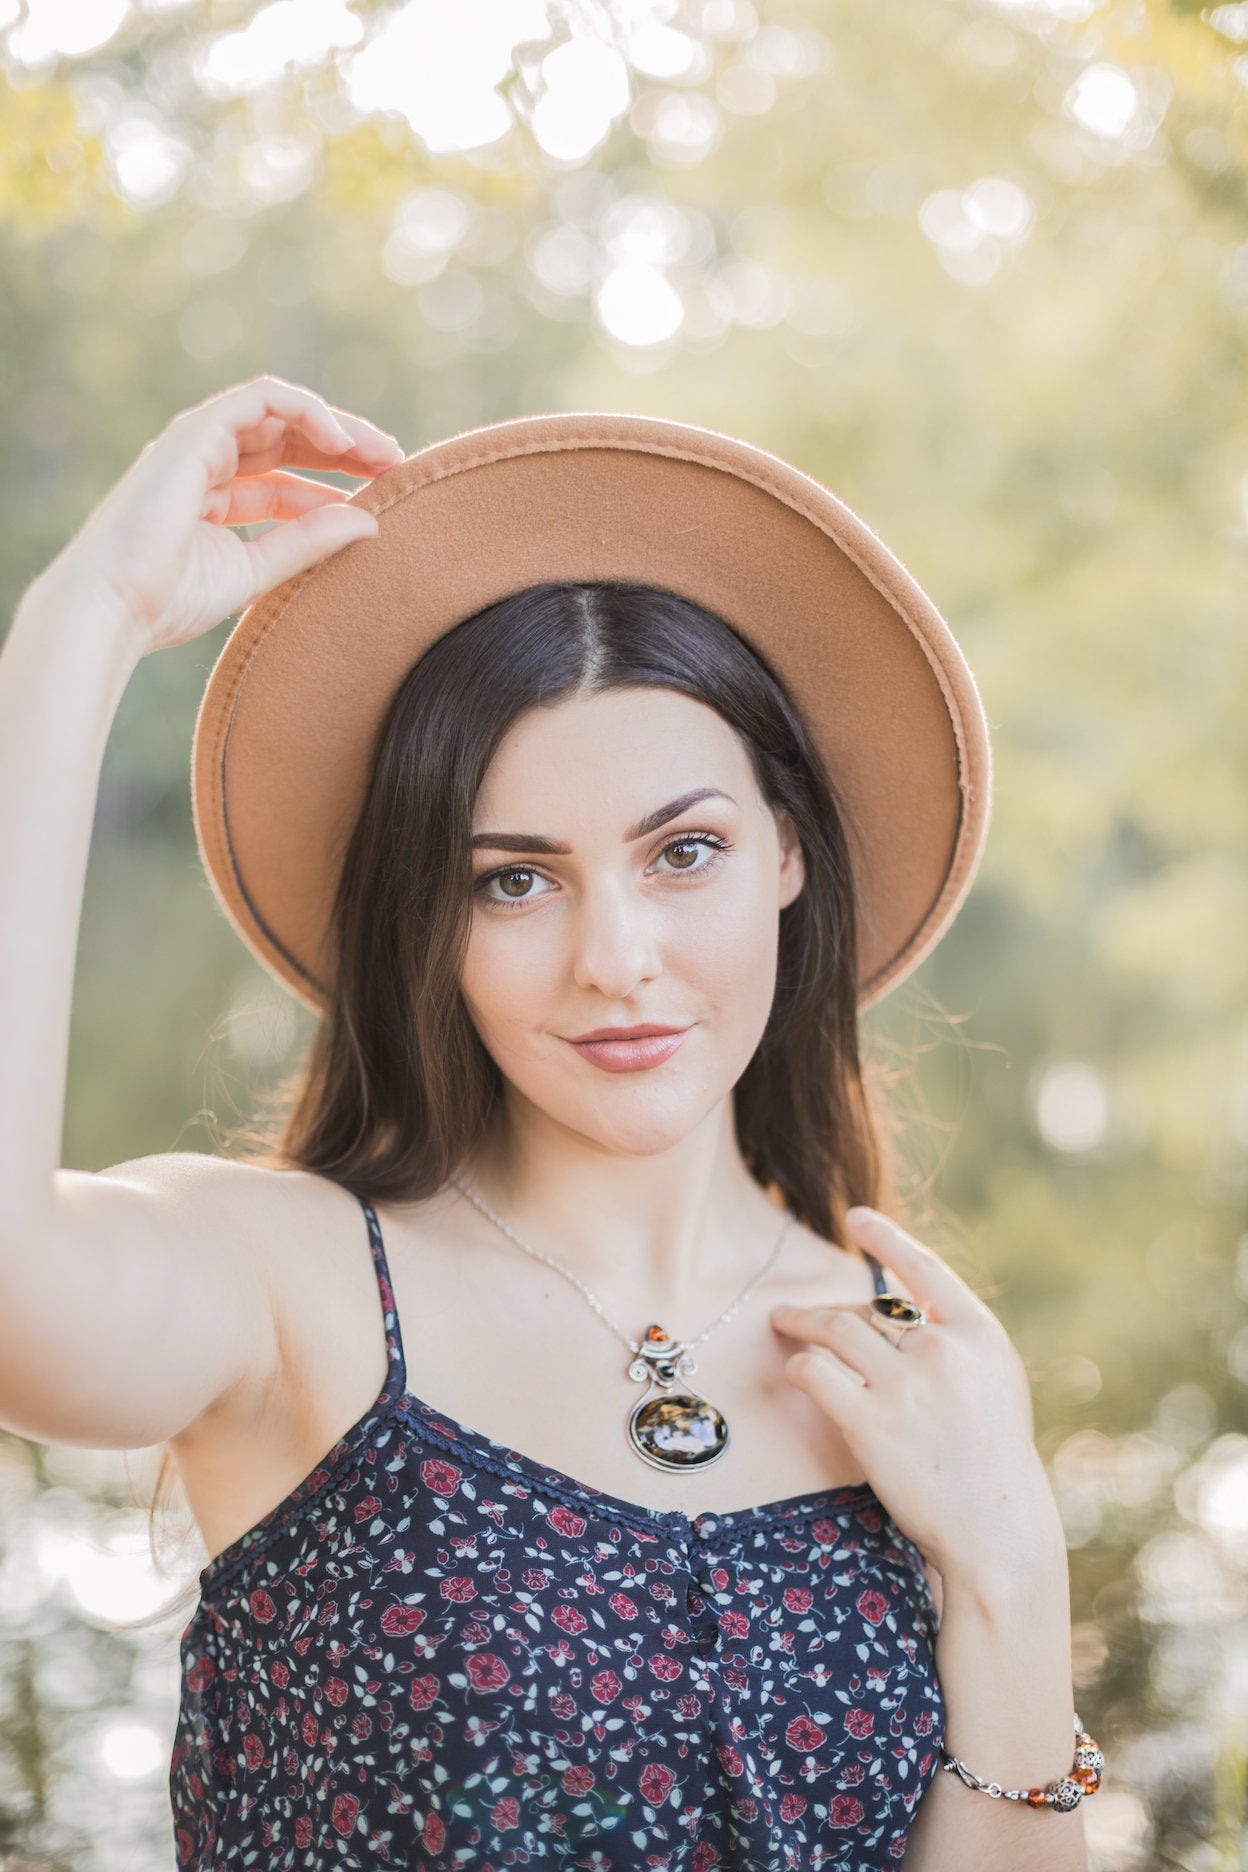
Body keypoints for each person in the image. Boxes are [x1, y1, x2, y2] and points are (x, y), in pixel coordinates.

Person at [0, 375, 1097, 1870]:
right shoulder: (290, 1284)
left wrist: (1014, 1577)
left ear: (787, 852)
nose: (616, 959)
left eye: (684, 851)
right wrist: (84, 622)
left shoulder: (907, 1361)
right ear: (430, 918)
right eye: (514, 879)